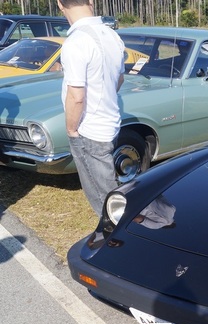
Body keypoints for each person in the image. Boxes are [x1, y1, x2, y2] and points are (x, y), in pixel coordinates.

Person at [57, 0, 125, 217]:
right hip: (110, 123)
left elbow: (77, 96)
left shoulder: (76, 42)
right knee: (109, 191)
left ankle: (116, 242)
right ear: (92, 1)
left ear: (60, 4)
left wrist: (71, 130)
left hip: (90, 131)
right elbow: (119, 79)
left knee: (105, 202)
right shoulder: (112, 35)